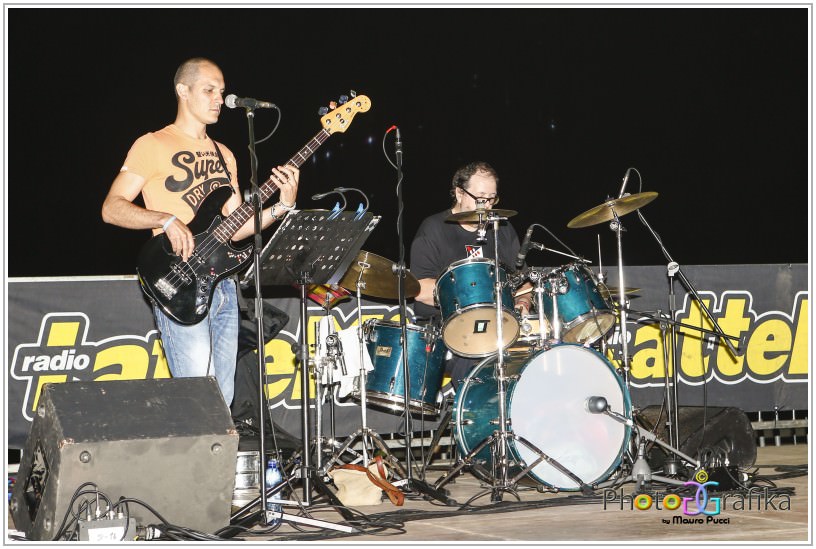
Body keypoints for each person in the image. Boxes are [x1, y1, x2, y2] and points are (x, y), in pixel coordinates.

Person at [101, 57, 300, 406]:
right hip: (179, 278)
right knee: (198, 400)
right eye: (209, 90)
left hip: (222, 284)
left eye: (221, 92)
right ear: (182, 91)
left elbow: (237, 227)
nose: (218, 100)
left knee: (221, 399)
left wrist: (281, 206)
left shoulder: (225, 155)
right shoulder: (152, 144)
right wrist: (163, 219)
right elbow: (112, 208)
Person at [409, 161, 531, 388]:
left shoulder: (501, 228)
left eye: (492, 198)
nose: (486, 205)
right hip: (444, 325)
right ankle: (476, 414)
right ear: (459, 193)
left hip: (499, 323)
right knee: (478, 352)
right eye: (480, 197)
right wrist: (474, 299)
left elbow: (522, 285)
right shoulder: (433, 228)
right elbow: (420, 289)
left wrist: (523, 302)